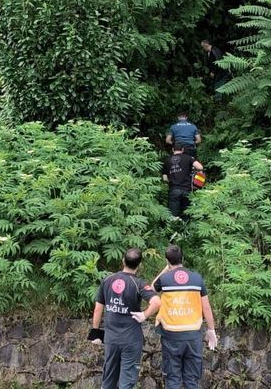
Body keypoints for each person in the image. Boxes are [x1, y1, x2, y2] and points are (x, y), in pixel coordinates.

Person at [92, 248, 161, 389]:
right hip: (131, 340)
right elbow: (157, 302)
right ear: (140, 265)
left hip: (111, 340)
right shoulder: (139, 283)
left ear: (123, 260)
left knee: (108, 380)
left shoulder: (107, 280)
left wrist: (95, 333)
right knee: (127, 382)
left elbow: (98, 308)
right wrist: (144, 315)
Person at [151, 245, 218, 389]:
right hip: (193, 336)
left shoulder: (164, 279)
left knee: (173, 379)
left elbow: (151, 289)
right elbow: (206, 307)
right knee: (192, 381)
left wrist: (166, 269)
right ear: (183, 258)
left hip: (171, 337)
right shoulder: (197, 279)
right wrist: (211, 330)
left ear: (167, 261)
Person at [162, 142, 203, 220]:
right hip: (187, 190)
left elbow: (165, 178)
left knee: (173, 216)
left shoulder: (167, 161)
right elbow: (200, 167)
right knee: (186, 215)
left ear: (173, 149)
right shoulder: (188, 158)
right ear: (183, 150)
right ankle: (186, 229)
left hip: (173, 190)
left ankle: (174, 230)